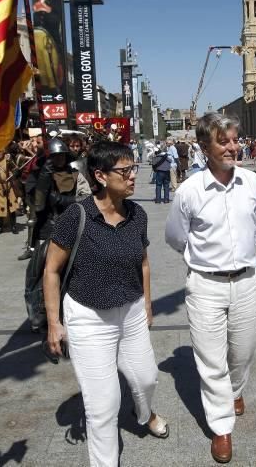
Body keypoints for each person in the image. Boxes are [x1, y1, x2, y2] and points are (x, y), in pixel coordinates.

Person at [43, 141, 168, 466]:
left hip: (131, 311)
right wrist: (55, 323)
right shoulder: (78, 215)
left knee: (146, 378)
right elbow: (52, 270)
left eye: (133, 169)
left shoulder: (137, 215)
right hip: (88, 317)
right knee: (102, 407)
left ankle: (144, 413)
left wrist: (148, 304)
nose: (132, 176)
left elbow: (143, 262)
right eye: (124, 170)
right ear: (99, 175)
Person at [164, 113, 256, 464]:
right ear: (205, 147)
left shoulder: (252, 183)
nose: (233, 147)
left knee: (243, 350)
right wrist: (205, 258)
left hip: (246, 281)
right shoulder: (189, 191)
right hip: (205, 284)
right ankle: (222, 427)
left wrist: (239, 254)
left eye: (235, 140)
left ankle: (234, 391)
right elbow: (176, 237)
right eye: (224, 141)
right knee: (210, 361)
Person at [32, 137, 91, 244]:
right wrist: (44, 178)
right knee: (42, 257)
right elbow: (38, 205)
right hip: (47, 224)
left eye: (61, 155)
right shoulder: (40, 175)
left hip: (71, 220)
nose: (59, 158)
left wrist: (65, 200)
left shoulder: (74, 174)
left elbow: (87, 197)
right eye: (55, 156)